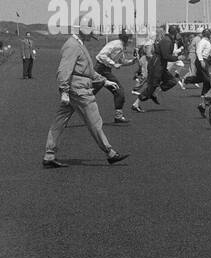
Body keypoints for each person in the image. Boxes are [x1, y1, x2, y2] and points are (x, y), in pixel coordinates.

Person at [42, 26, 129, 168]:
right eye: (90, 34)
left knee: (60, 120)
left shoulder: (76, 44)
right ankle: (110, 152)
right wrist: (64, 90)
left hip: (75, 88)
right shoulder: (73, 46)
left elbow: (89, 71)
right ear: (84, 32)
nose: (90, 37)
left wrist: (104, 80)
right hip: (79, 90)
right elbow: (64, 69)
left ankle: (49, 154)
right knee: (94, 120)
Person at [132, 25, 181, 110]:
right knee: (152, 86)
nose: (179, 35)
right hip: (156, 65)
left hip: (161, 65)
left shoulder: (169, 40)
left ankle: (155, 93)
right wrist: (177, 58)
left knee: (172, 81)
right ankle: (136, 104)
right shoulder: (167, 41)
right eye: (178, 33)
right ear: (175, 33)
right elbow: (166, 56)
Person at [95, 31, 135, 124]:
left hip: (105, 70)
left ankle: (118, 116)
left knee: (118, 91)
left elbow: (121, 61)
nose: (131, 40)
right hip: (100, 69)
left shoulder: (121, 46)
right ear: (125, 38)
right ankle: (67, 112)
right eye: (130, 38)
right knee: (88, 93)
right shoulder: (117, 45)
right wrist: (113, 64)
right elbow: (102, 55)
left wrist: (131, 61)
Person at [190, 27, 211, 94]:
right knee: (206, 78)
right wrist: (201, 61)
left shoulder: (205, 41)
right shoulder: (203, 42)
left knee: (204, 77)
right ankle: (206, 92)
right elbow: (198, 51)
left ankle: (206, 92)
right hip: (202, 60)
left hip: (203, 59)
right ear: (208, 34)